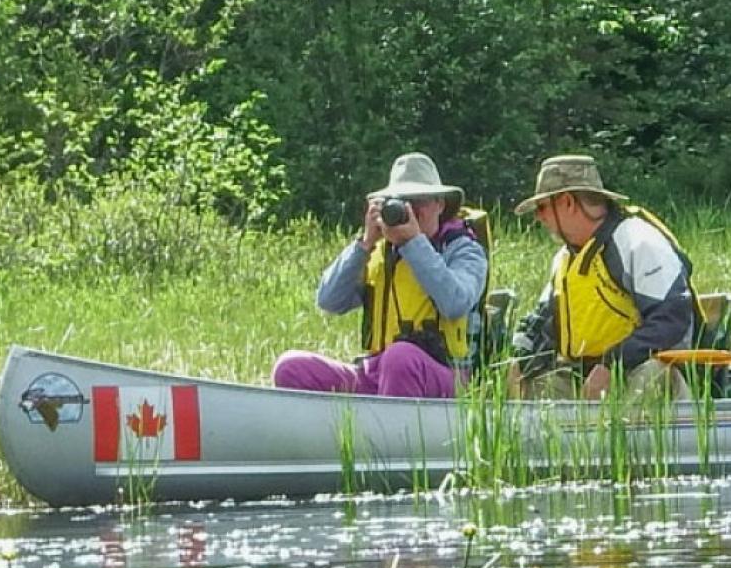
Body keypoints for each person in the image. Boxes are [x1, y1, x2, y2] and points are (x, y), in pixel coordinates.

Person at [271, 153, 490, 398]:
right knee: (291, 367)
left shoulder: (464, 249)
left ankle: (389, 433)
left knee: (400, 358)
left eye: (420, 201)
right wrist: (364, 244)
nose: (411, 209)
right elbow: (328, 301)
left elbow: (455, 302)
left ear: (440, 204)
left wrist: (413, 243)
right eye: (402, 201)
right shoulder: (380, 251)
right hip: (378, 372)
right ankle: (342, 433)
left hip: (444, 374)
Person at [509, 155, 696, 399]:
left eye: (542, 207)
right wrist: (521, 362)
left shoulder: (638, 241)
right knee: (537, 385)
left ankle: (629, 435)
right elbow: (540, 324)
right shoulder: (564, 259)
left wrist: (612, 365)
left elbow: (673, 318)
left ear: (567, 202)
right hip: (585, 376)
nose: (539, 217)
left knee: (653, 375)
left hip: (640, 369)